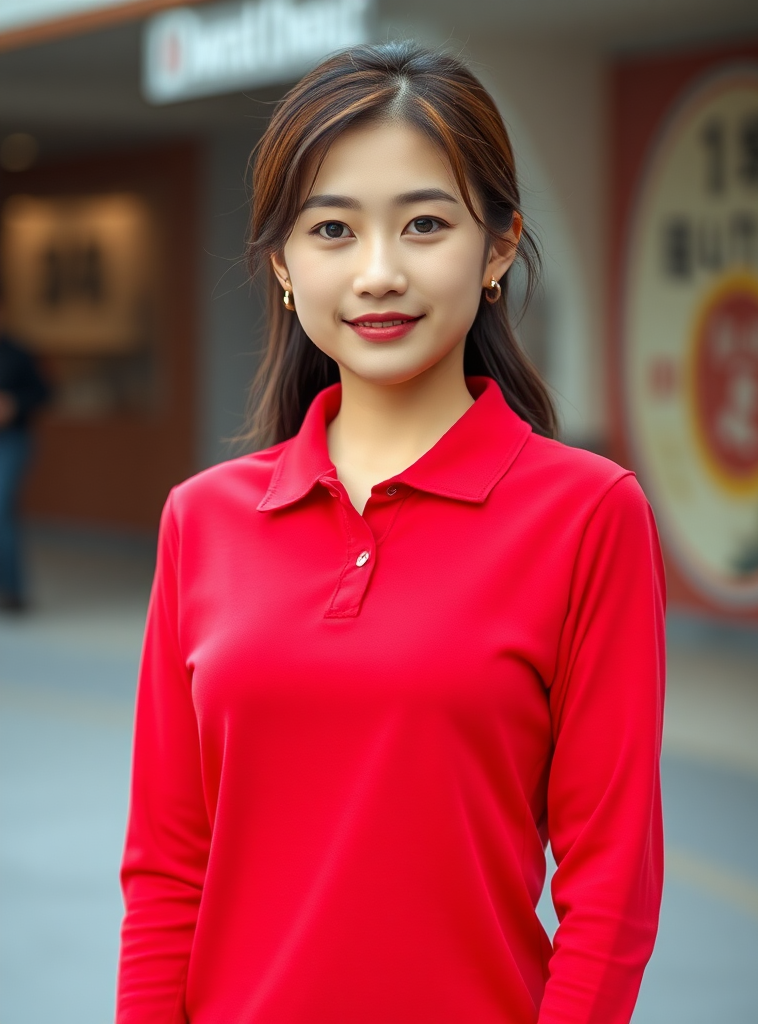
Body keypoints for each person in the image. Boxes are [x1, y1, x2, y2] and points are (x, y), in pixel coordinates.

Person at [117, 43, 665, 1024]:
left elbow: (611, 884)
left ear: (498, 247)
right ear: (283, 264)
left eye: (424, 224)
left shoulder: (588, 514)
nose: (379, 272)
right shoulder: (200, 520)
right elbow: (166, 872)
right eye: (333, 229)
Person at [0, 293, 50, 611]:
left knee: (1, 506)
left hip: (12, 440)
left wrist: (14, 404)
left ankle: (14, 590)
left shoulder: (18, 353)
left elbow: (44, 392)